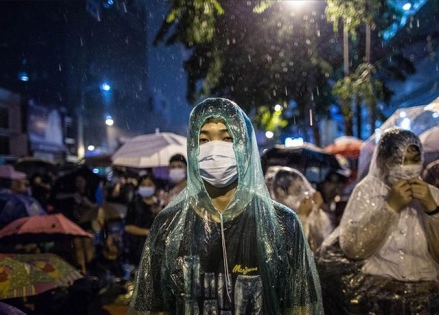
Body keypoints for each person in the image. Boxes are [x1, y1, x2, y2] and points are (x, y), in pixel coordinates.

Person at [129, 98, 322, 314]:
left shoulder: (282, 224)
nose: (214, 149)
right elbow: (149, 307)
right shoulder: (168, 225)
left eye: (228, 138)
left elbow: (301, 307)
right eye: (203, 140)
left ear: (245, 148)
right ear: (192, 149)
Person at [338, 128, 439, 314]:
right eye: (400, 160)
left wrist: (431, 207)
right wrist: (390, 207)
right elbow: (354, 247)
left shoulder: (433, 195)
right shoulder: (367, 192)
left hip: (427, 300)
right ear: (384, 161)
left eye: (414, 160)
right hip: (379, 299)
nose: (408, 167)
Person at [266, 165, 331, 252]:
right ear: (281, 192)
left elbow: (320, 244)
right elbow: (294, 252)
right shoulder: (271, 218)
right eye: (297, 190)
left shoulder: (301, 212)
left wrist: (317, 210)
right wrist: (303, 217)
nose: (304, 194)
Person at [124, 174, 163, 266]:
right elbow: (128, 227)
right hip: (139, 247)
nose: (146, 187)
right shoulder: (134, 205)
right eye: (143, 185)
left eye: (149, 185)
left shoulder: (160, 204)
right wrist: (146, 232)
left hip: (157, 247)